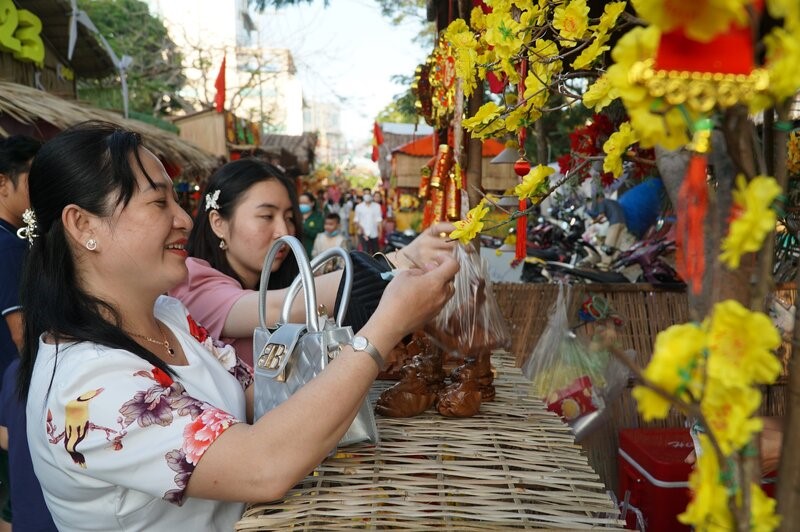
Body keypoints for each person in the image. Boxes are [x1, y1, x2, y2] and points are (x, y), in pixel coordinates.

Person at [20, 121, 459, 532]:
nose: (184, 220)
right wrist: (381, 332)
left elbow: (268, 394)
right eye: (158, 202)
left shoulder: (171, 317)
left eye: (177, 200)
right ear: (83, 225)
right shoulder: (86, 389)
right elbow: (262, 467)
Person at [171, 159, 455, 368]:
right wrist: (401, 259)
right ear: (219, 223)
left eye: (290, 217)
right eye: (267, 217)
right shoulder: (192, 283)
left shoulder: (279, 278)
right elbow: (276, 308)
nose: (284, 231)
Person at [0, 135, 51, 532]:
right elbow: (23, 335)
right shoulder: (7, 246)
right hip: (15, 397)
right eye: (34, 179)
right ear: (3, 184)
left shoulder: (16, 240)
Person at [299, 192, 324, 257]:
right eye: (300, 203)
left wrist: (303, 228)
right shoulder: (296, 216)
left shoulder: (318, 217)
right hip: (298, 254)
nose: (302, 205)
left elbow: (319, 233)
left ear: (312, 203)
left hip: (312, 254)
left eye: (305, 203)